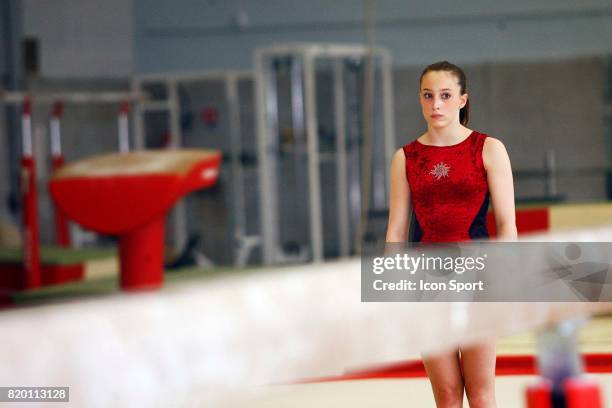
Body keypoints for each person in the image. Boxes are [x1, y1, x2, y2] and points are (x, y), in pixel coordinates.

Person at [385, 61, 517, 408]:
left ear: (462, 100)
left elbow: (507, 225)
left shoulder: (489, 149)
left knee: (480, 392)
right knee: (445, 394)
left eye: (445, 96)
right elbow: (396, 232)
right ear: (420, 100)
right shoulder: (406, 158)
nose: (436, 105)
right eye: (428, 96)